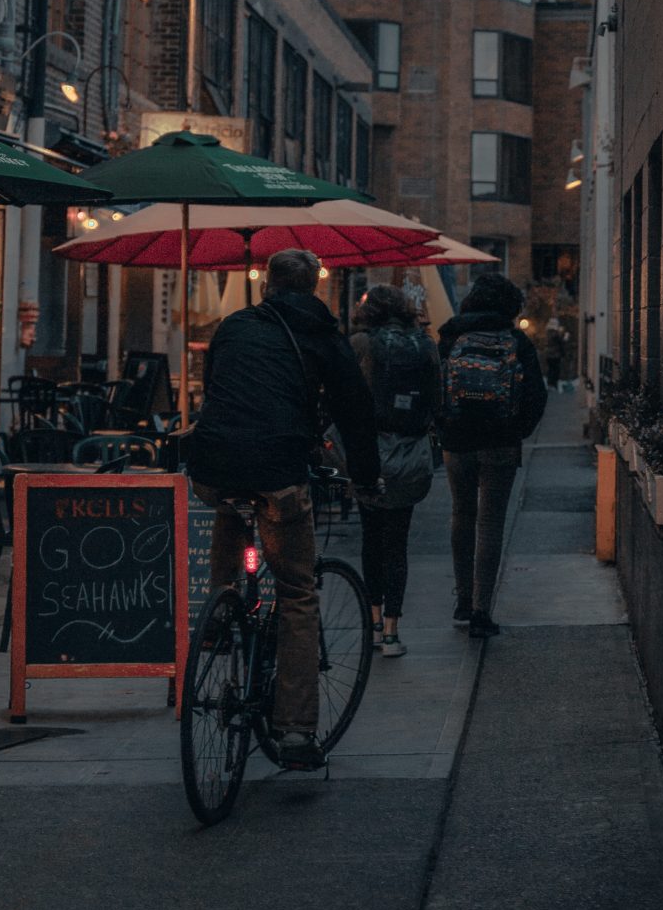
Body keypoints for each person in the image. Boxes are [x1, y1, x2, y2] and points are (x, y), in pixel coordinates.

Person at [184, 246, 380, 769]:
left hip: (214, 464)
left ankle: (220, 611)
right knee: (296, 592)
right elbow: (355, 411)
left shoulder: (233, 327)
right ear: (313, 285)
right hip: (278, 472)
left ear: (267, 284)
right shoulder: (323, 337)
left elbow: (217, 391)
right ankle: (295, 732)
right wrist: (366, 479)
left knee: (231, 503)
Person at [437, 270, 547, 640]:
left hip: (457, 441)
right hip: (500, 441)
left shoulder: (451, 335)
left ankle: (462, 599)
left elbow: (434, 384)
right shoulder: (516, 340)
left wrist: (444, 426)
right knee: (491, 523)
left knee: (461, 515)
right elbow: (537, 395)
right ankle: (483, 610)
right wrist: (517, 431)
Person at [349, 283, 441, 658]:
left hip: (369, 451)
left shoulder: (360, 344)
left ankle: (371, 624)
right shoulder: (424, 344)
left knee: (371, 538)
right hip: (409, 453)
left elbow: (346, 398)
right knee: (397, 543)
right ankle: (392, 632)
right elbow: (437, 400)